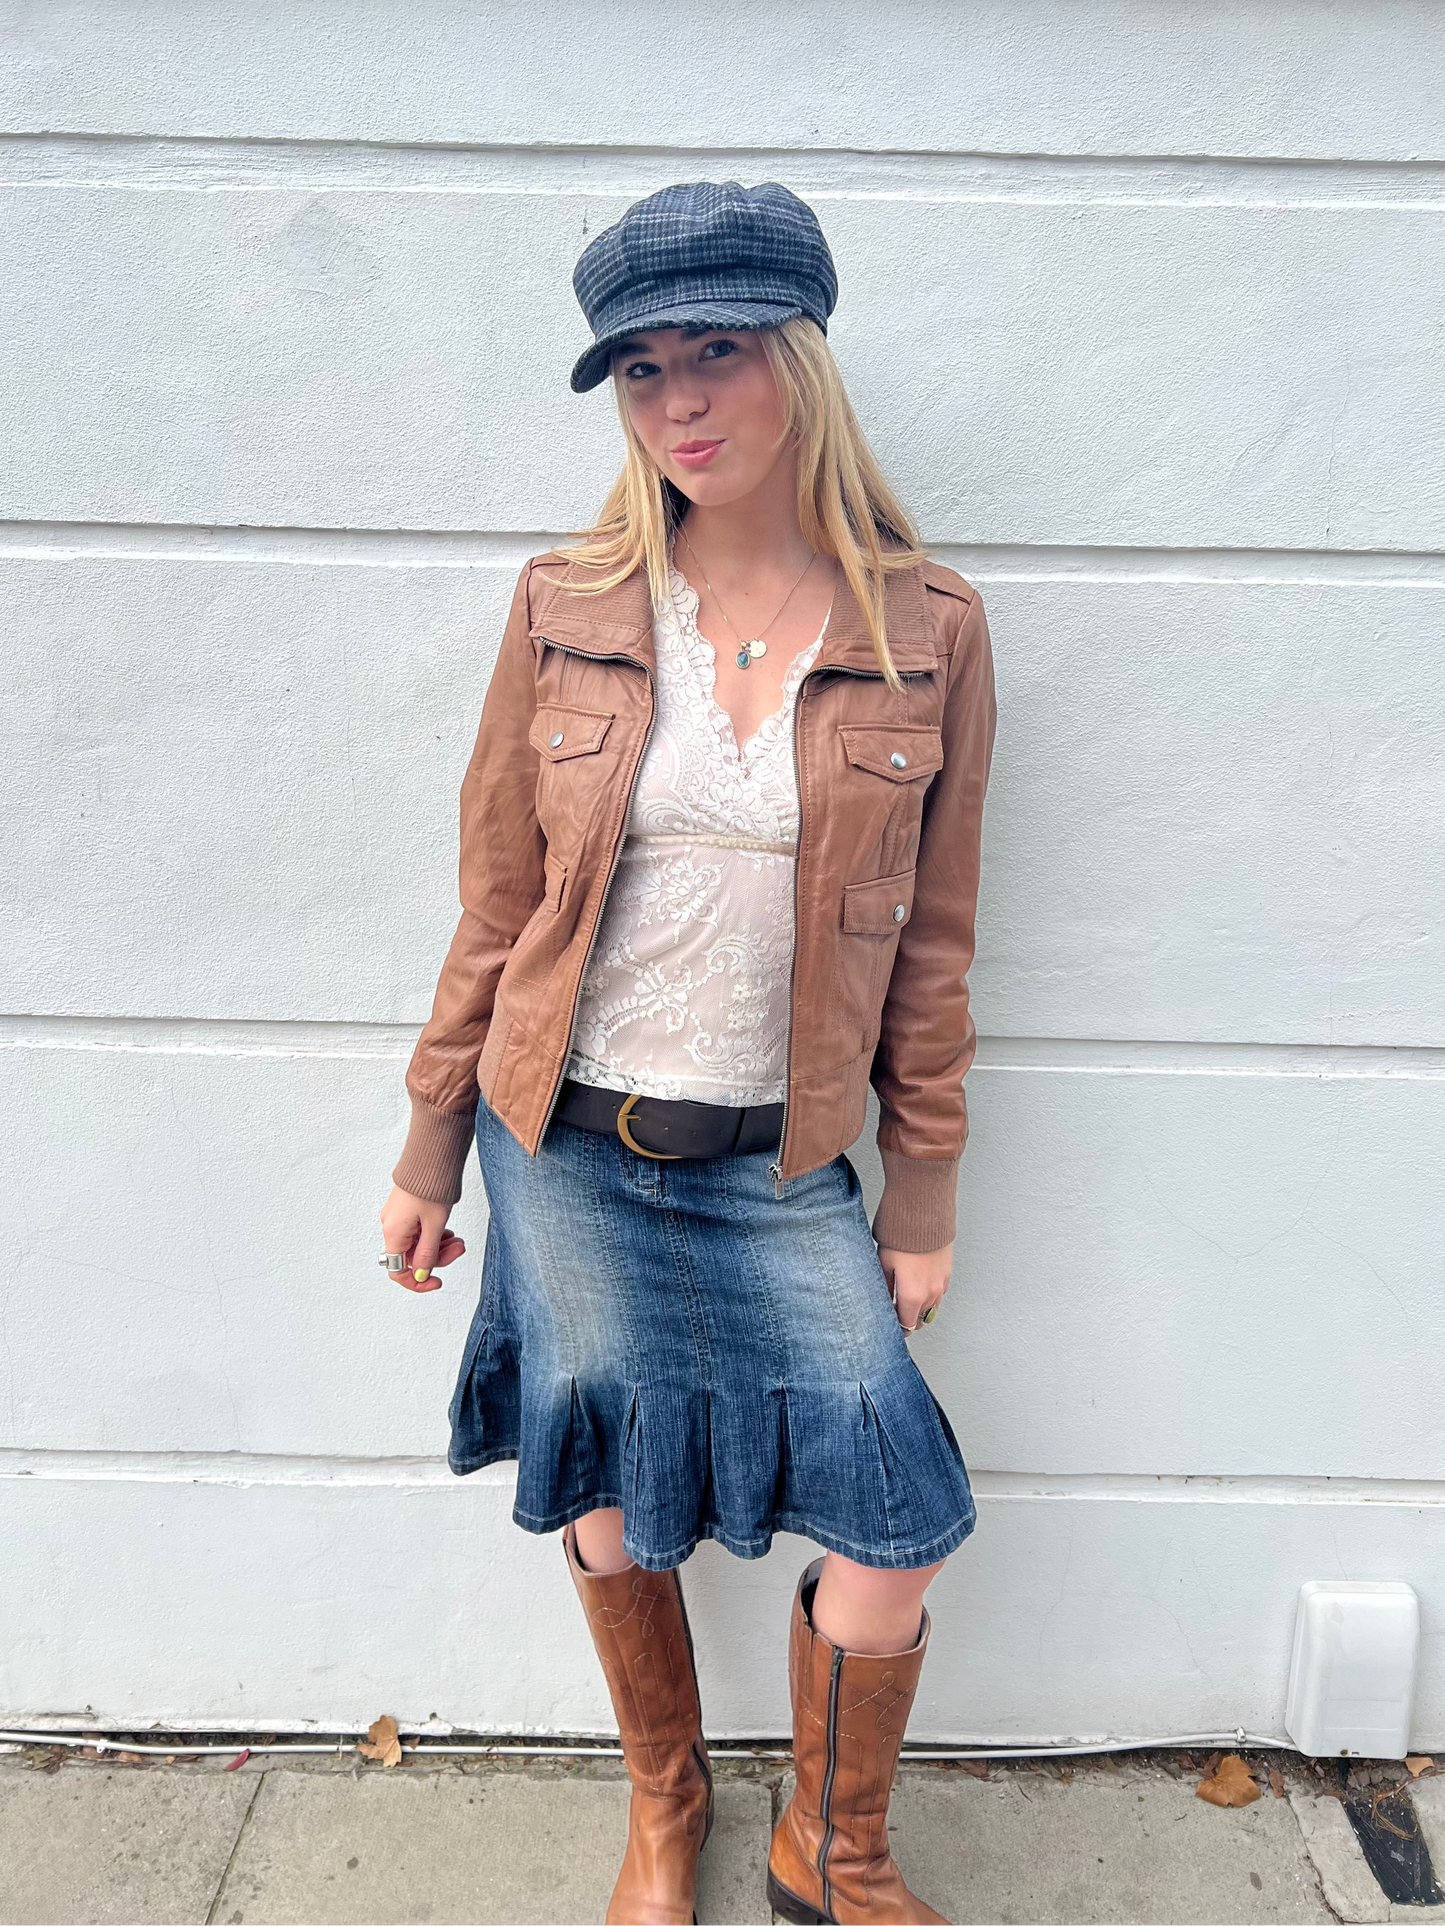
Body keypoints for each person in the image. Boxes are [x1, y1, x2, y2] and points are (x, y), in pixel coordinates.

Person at [379, 180, 996, 1926]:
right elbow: (500, 901)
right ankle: (667, 1806)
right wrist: (430, 1147)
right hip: (563, 1143)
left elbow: (935, 943)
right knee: (603, 1486)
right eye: (641, 370)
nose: (679, 402)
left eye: (715, 352)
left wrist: (922, 1191)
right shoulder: (567, 603)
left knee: (895, 1517)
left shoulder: (928, 629)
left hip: (778, 1160)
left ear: (802, 360)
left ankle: (831, 1845)